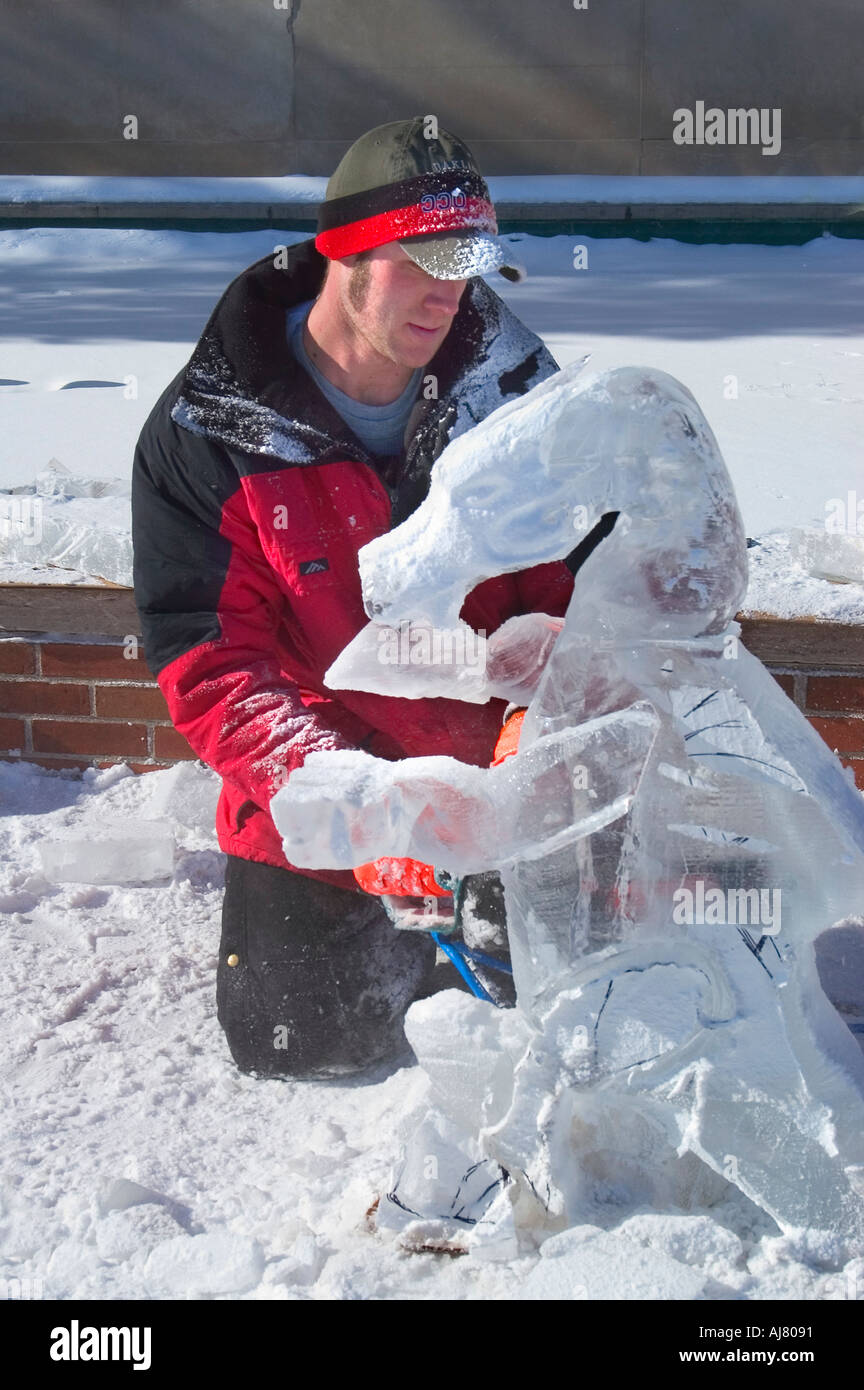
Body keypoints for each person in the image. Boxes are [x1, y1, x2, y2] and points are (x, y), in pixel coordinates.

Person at [131, 117, 577, 1080]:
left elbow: (575, 593)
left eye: (468, 268)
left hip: (495, 789)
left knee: (557, 1041)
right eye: (423, 264)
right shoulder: (211, 427)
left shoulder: (519, 400)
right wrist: (359, 805)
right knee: (306, 1051)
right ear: (345, 251)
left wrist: (532, 734)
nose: (449, 297)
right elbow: (210, 658)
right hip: (324, 801)